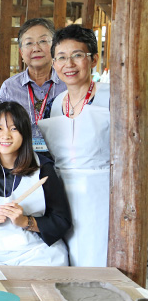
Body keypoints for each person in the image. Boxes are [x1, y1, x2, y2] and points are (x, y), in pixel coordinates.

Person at [38, 25, 110, 267]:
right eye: (61, 57)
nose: (68, 64)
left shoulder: (112, 96)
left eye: (77, 55)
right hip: (63, 195)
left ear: (94, 59)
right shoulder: (58, 102)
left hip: (101, 194)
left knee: (97, 257)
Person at [0, 102, 71, 266]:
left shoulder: (43, 169)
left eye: (14, 129)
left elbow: (61, 221)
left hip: (39, 254)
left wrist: (25, 221)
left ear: (25, 133)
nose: (6, 135)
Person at [0, 18, 67, 157]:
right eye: (29, 43)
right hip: (22, 160)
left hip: (63, 159)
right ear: (21, 52)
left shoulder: (67, 84)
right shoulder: (9, 88)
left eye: (43, 41)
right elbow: (1, 128)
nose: (36, 48)